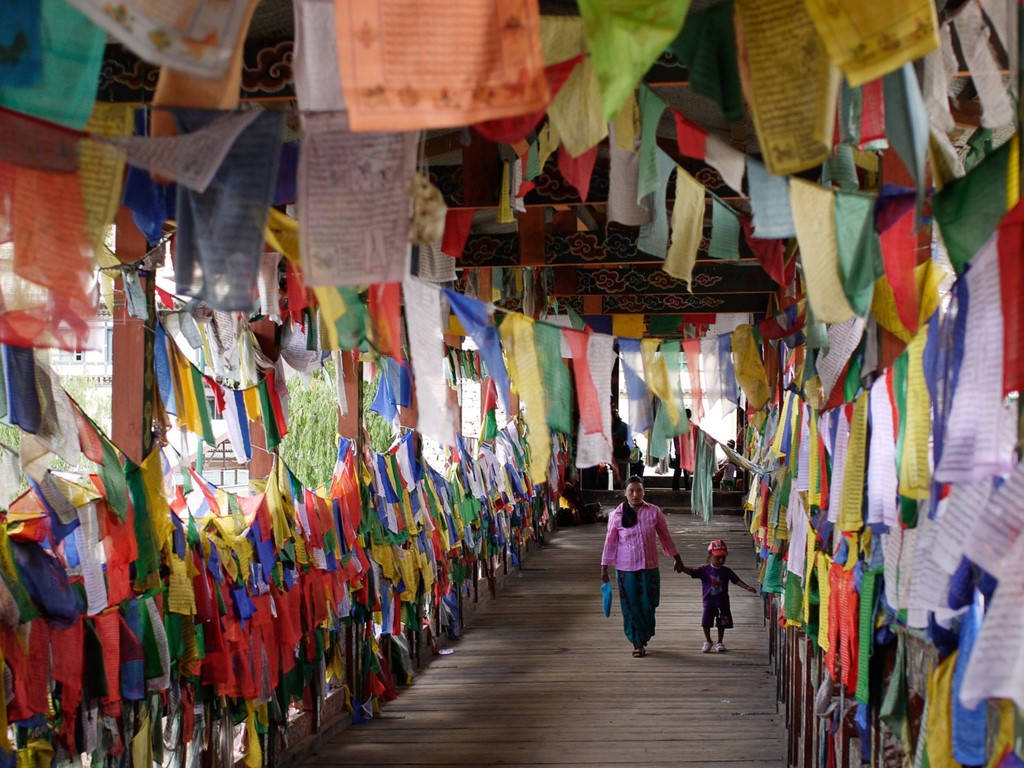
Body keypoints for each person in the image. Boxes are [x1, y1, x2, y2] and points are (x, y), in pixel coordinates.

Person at [600, 476, 684, 657]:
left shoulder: (654, 512)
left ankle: (644, 634)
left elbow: (665, 537)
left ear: (644, 492)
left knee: (649, 604)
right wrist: (604, 567)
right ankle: (637, 642)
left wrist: (677, 558)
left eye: (639, 490)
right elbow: (610, 542)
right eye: (631, 491)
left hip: (649, 567)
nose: (635, 494)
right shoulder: (617, 515)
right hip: (625, 570)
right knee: (630, 606)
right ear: (625, 493)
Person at [680, 539, 757, 653]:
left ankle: (720, 641)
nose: (720, 560)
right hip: (709, 602)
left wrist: (747, 587)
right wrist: (682, 568)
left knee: (722, 623)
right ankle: (708, 641)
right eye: (717, 557)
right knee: (706, 622)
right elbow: (692, 572)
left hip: (723, 602)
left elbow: (736, 580)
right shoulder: (704, 570)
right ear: (710, 555)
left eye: (723, 558)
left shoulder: (726, 571)